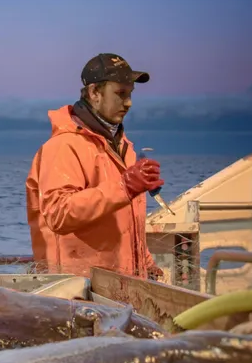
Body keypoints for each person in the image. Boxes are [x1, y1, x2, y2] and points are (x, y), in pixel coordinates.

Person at [25, 53, 165, 279]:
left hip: (118, 288)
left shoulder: (123, 146)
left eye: (130, 94)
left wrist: (146, 264)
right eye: (120, 94)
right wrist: (125, 187)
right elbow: (58, 214)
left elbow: (125, 222)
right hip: (78, 293)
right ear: (94, 93)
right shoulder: (63, 146)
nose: (128, 103)